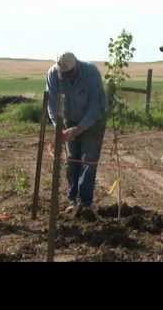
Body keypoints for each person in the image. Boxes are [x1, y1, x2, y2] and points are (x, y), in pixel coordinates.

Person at [46, 52, 106, 212]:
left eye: (68, 73)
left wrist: (79, 129)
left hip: (93, 122)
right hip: (69, 120)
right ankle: (73, 200)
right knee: (72, 160)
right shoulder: (53, 73)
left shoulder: (90, 72)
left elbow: (96, 106)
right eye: (62, 73)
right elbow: (51, 104)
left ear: (76, 67)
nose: (64, 76)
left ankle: (85, 203)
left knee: (88, 161)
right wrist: (58, 127)